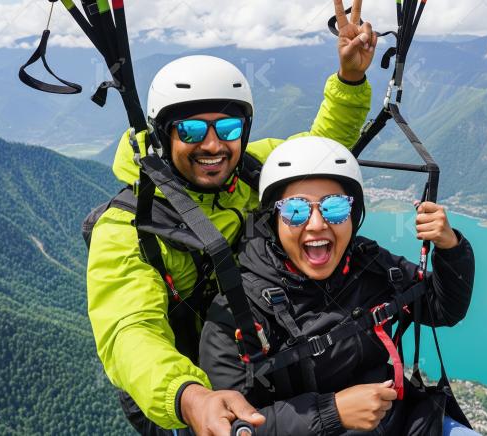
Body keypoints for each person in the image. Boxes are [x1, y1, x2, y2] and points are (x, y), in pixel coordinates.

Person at [86, 2, 380, 434]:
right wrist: (189, 396)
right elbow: (130, 332)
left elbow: (320, 150)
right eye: (189, 130)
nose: (212, 145)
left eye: (227, 130)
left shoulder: (254, 169)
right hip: (198, 394)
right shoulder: (129, 227)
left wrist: (350, 79)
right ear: (163, 135)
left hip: (265, 365)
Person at [198, 137, 478, 435]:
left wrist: (451, 247)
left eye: (334, 208)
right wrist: (333, 413)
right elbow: (229, 426)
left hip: (402, 423)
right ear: (274, 220)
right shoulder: (237, 310)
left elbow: (441, 309)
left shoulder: (368, 263)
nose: (317, 224)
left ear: (353, 215)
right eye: (296, 210)